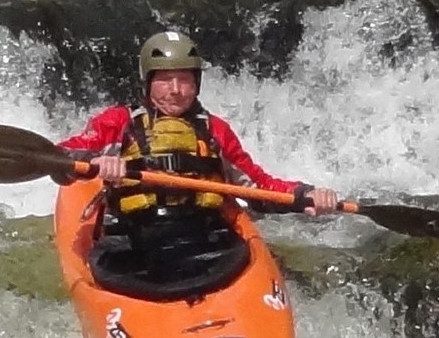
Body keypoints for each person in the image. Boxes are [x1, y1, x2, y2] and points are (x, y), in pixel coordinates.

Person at [56, 30, 339, 292]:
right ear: (148, 82)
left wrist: (305, 195)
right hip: (132, 243)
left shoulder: (214, 131)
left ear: (197, 83)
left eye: (185, 79)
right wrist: (97, 161)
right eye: (165, 80)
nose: (176, 89)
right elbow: (62, 157)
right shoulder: (118, 123)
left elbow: (257, 186)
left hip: (202, 243)